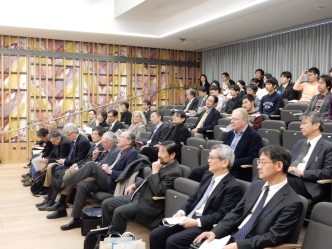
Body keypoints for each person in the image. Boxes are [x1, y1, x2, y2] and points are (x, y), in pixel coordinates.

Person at [194, 145, 304, 249]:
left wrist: (239, 245)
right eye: (259, 162)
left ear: (279, 165)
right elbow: (236, 212)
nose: (258, 166)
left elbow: (273, 237)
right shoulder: (256, 185)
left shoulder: (292, 202)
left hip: (252, 244)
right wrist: (215, 232)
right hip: (231, 236)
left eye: (263, 162)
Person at [149, 144, 243, 249]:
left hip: (205, 225)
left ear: (225, 162)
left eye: (212, 157)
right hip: (188, 217)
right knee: (156, 234)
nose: (209, 160)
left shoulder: (233, 187)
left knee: (173, 241)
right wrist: (182, 212)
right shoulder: (207, 176)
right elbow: (194, 198)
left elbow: (222, 214)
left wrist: (196, 222)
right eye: (209, 157)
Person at [60, 131, 138, 230]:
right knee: (82, 186)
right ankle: (76, 219)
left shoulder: (132, 153)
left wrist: (110, 171)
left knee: (92, 165)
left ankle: (66, 183)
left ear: (129, 141)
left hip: (114, 183)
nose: (118, 138)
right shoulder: (121, 151)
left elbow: (127, 174)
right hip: (106, 179)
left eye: (121, 137)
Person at [101, 140, 183, 234]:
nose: (159, 155)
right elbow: (148, 178)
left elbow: (159, 191)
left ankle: (114, 238)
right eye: (159, 151)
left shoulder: (174, 172)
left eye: (162, 152)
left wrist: (155, 171)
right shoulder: (163, 163)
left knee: (119, 212)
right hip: (140, 196)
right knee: (106, 204)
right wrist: (134, 185)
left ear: (172, 155)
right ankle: (106, 234)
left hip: (150, 203)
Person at [43, 126, 106, 219]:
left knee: (68, 173)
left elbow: (97, 164)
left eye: (95, 134)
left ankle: (60, 203)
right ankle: (56, 201)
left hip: (94, 175)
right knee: (59, 171)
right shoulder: (94, 145)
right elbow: (86, 160)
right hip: (84, 168)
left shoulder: (102, 147)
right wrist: (77, 165)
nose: (92, 136)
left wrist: (77, 166)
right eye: (92, 134)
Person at [189, 108, 263, 182]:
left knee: (207, 175)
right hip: (221, 164)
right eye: (232, 119)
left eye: (235, 119)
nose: (232, 122)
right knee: (196, 172)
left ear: (244, 121)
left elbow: (252, 158)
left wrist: (231, 162)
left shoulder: (254, 137)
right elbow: (223, 150)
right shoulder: (230, 133)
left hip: (236, 168)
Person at [287, 112, 332, 206]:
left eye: (304, 123)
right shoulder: (299, 143)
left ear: (316, 125)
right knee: (267, 171)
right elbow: (289, 161)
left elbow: (328, 172)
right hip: (292, 177)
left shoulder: (328, 147)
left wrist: (302, 173)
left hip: (308, 184)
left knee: (276, 177)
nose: (300, 126)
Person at [34, 131, 72, 206]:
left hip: (66, 163)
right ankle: (48, 193)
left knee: (51, 166)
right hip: (60, 161)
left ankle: (49, 193)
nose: (52, 143)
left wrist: (47, 161)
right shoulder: (56, 141)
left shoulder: (64, 143)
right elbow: (52, 154)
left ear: (58, 139)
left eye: (53, 141)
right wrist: (46, 160)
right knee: (41, 162)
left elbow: (61, 158)